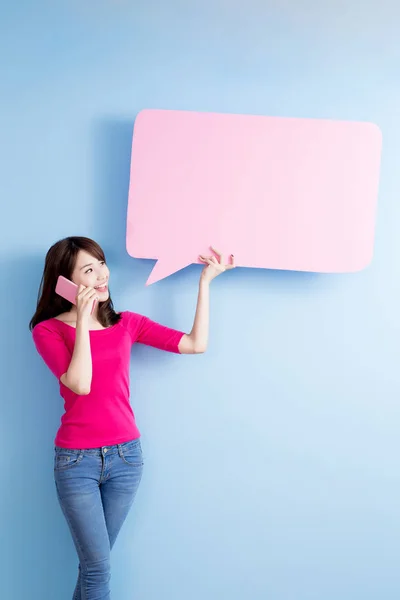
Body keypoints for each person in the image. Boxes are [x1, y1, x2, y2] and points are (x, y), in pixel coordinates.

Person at [30, 236, 234, 600]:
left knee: (94, 567)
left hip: (127, 459)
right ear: (67, 282)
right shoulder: (48, 330)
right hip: (77, 462)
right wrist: (81, 320)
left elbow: (195, 343)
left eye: (101, 265)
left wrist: (205, 283)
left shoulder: (127, 324)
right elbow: (80, 383)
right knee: (98, 568)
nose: (100, 275)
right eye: (87, 270)